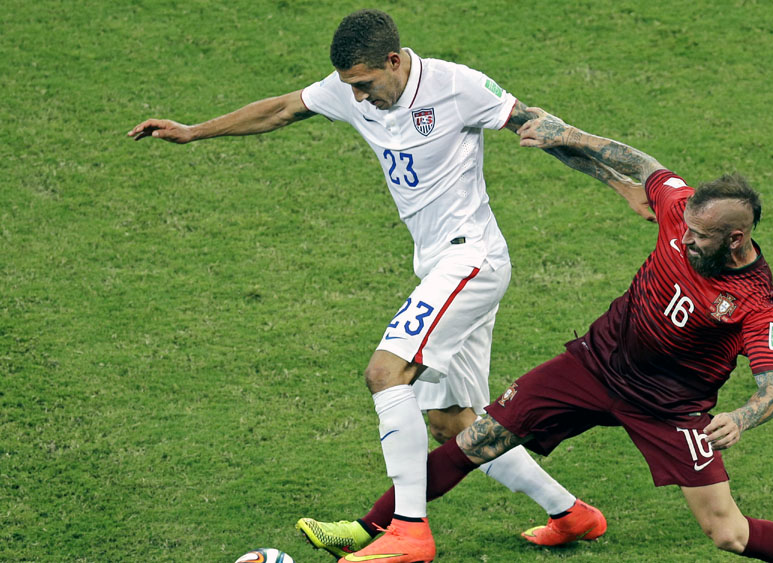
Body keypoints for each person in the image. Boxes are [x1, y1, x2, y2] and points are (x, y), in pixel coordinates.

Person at [126, 10, 645, 561]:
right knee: (453, 424)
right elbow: (281, 108)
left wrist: (624, 183)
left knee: (385, 372)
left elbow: (546, 130)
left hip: (471, 260)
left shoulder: (456, 86)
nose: (359, 98)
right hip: (440, 266)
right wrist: (192, 131)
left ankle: (409, 533)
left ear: (394, 61)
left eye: (367, 85)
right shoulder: (350, 88)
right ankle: (572, 515)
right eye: (350, 87)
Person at [335, 110, 773, 562]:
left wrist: (741, 417)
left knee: (729, 535)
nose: (685, 238)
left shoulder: (756, 303)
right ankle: (371, 528)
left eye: (699, 236)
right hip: (593, 366)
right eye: (688, 228)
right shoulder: (681, 210)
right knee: (477, 440)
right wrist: (567, 135)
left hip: (669, 409)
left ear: (735, 239)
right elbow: (642, 162)